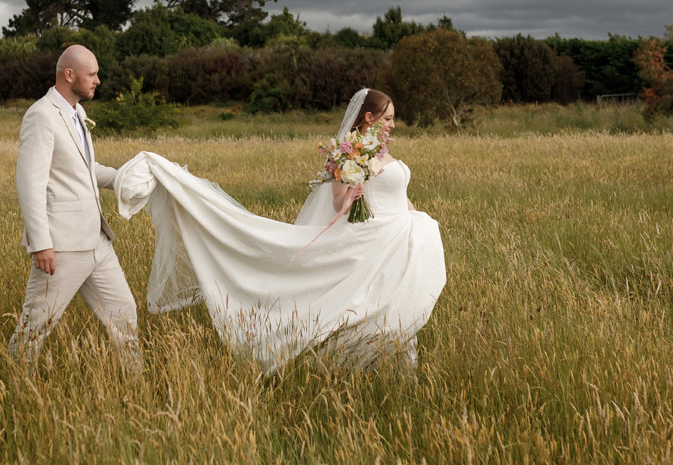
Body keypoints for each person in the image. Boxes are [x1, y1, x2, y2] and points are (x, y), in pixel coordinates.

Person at [114, 88, 445, 372]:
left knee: (392, 300)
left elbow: (399, 195)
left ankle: (400, 359)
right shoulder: (350, 152)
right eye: (388, 118)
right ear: (370, 118)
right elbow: (338, 201)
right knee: (364, 303)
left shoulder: (382, 152)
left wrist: (422, 219)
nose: (392, 124)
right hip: (370, 237)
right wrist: (351, 194)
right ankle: (351, 355)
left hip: (397, 236)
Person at [8, 44, 141, 372]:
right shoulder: (41, 116)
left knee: (124, 315)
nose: (98, 80)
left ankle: (137, 388)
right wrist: (41, 243)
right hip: (62, 247)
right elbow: (30, 184)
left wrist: (126, 178)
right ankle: (14, 391)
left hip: (97, 242)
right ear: (70, 75)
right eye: (92, 74)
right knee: (35, 326)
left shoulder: (76, 113)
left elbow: (85, 169)